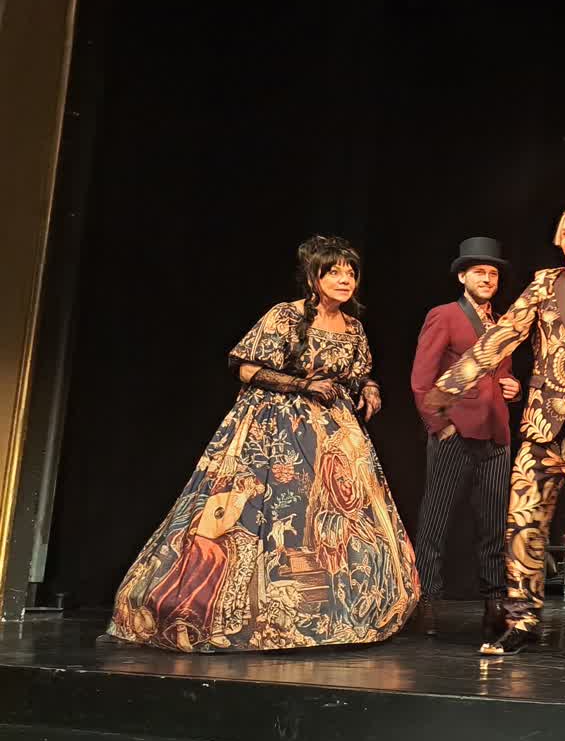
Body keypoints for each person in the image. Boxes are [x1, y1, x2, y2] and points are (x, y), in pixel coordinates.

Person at [106, 236, 417, 652]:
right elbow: (247, 369)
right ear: (313, 277)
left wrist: (370, 388)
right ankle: (245, 611)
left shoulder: (354, 327)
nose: (345, 280)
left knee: (334, 515)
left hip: (332, 432)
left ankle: (335, 612)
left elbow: (357, 373)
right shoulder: (285, 316)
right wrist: (303, 385)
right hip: (276, 424)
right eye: (334, 272)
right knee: (269, 507)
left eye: (350, 273)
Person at [424, 205, 565, 658]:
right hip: (543, 426)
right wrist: (451, 384)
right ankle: (521, 621)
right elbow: (504, 334)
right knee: (523, 524)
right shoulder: (545, 283)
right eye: (564, 232)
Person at [409, 236, 519, 641]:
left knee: (493, 524)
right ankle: (427, 601)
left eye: (492, 273)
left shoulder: (503, 324)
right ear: (462, 277)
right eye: (479, 272)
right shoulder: (445, 315)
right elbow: (422, 380)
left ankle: (494, 603)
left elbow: (501, 374)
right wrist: (441, 426)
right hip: (455, 433)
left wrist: (513, 387)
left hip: (495, 435)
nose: (487, 279)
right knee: (436, 521)